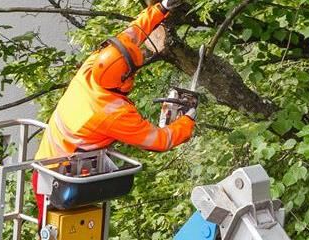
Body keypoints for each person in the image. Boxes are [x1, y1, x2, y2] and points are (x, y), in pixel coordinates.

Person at [31, 0, 192, 229]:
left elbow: (132, 34)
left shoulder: (93, 67)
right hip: (65, 181)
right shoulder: (111, 112)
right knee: (65, 230)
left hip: (45, 169)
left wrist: (162, 8)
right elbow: (159, 140)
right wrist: (187, 119)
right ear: (125, 77)